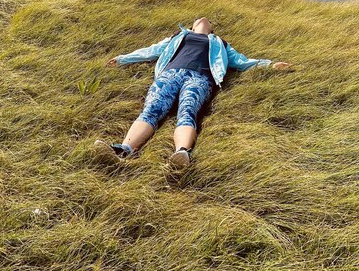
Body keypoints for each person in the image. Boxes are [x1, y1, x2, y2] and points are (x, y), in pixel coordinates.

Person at [94, 17, 292, 168]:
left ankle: (181, 153)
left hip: (200, 78)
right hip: (170, 75)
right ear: (192, 26)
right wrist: (122, 59)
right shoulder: (179, 36)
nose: (204, 19)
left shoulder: (219, 43)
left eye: (208, 21)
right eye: (199, 19)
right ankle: (125, 149)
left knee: (188, 110)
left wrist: (271, 65)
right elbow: (150, 50)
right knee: (152, 108)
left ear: (211, 29)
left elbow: (242, 62)